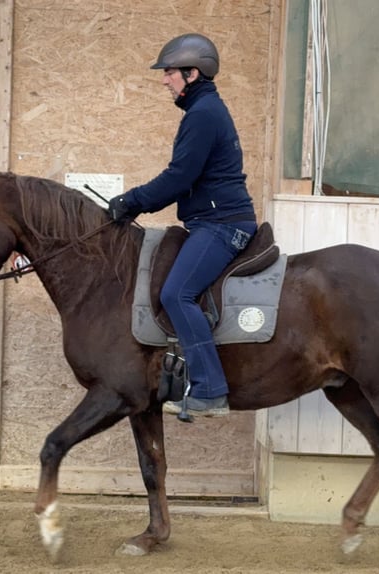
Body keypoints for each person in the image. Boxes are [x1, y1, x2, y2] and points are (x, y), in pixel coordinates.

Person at [108, 33, 257, 418]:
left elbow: (179, 177)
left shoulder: (204, 115)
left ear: (192, 74)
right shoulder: (204, 111)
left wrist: (131, 201)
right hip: (211, 221)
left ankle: (209, 390)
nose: (164, 80)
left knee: (176, 294)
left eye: (170, 72)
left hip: (222, 225)